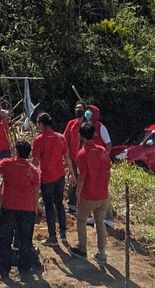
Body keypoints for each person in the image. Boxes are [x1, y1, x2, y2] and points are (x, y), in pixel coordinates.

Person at [0, 140, 41, 277]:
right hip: (27, 210)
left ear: (16, 151)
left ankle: (4, 270)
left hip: (9, 207)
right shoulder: (33, 170)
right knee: (25, 240)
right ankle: (24, 270)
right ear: (29, 154)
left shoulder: (7, 163)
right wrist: (35, 209)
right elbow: (36, 191)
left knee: (5, 239)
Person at [71, 121, 112, 263]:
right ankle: (102, 253)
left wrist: (77, 194)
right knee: (100, 223)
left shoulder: (82, 154)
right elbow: (108, 171)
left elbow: (82, 177)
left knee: (81, 220)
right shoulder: (102, 151)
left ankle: (82, 249)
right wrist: (105, 187)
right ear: (94, 134)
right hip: (103, 194)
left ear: (81, 136)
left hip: (89, 194)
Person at [32, 112, 73, 245]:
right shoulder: (60, 137)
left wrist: (32, 178)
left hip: (46, 178)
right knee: (59, 204)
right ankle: (63, 232)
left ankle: (52, 236)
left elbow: (35, 161)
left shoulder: (39, 140)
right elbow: (67, 158)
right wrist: (72, 174)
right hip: (60, 176)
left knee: (49, 207)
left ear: (42, 124)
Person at [64, 103, 85, 213]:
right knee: (72, 180)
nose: (78, 110)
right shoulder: (71, 124)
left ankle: (82, 205)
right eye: (76, 108)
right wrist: (67, 155)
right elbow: (65, 139)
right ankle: (71, 204)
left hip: (84, 159)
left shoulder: (87, 125)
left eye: (80, 108)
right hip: (73, 157)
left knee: (84, 181)